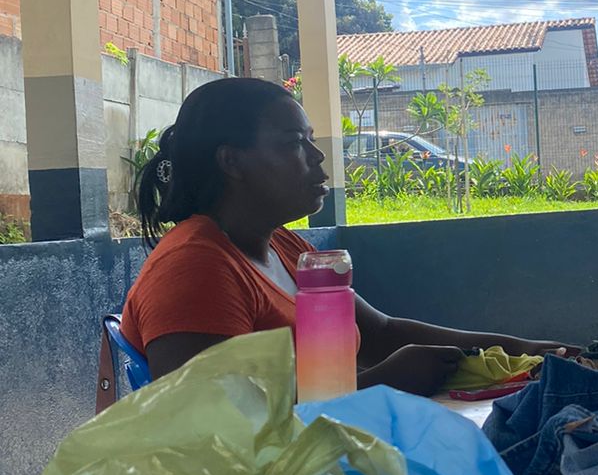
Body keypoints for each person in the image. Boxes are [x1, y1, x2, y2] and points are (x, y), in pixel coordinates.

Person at [123, 77, 575, 395]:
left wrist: (527, 350)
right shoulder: (195, 269)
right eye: (293, 142)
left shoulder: (283, 246)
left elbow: (380, 332)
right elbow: (205, 422)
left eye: (310, 139)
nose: (317, 156)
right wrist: (378, 383)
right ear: (232, 162)